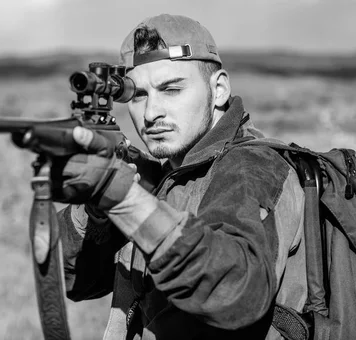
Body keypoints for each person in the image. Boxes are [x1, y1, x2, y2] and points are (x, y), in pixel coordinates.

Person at [55, 14, 306, 339]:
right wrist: (95, 213)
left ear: (218, 90)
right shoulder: (169, 173)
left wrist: (127, 200)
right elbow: (76, 281)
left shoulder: (251, 168)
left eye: (171, 89)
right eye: (138, 95)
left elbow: (234, 294)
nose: (150, 113)